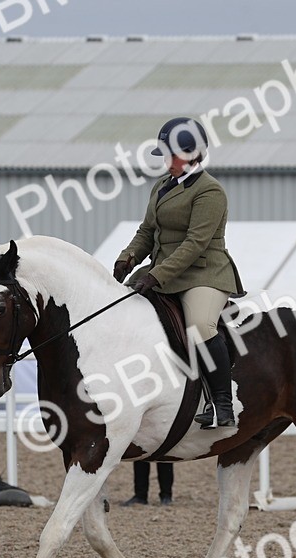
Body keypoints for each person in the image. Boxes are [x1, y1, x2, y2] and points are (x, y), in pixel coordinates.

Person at [114, 117, 245, 429]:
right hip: (162, 270)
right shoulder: (162, 187)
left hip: (202, 273)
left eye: (171, 155)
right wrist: (127, 258)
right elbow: (147, 231)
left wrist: (156, 276)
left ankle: (222, 402)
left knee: (199, 325)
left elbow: (195, 244)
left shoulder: (210, 191)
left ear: (192, 153)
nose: (166, 163)